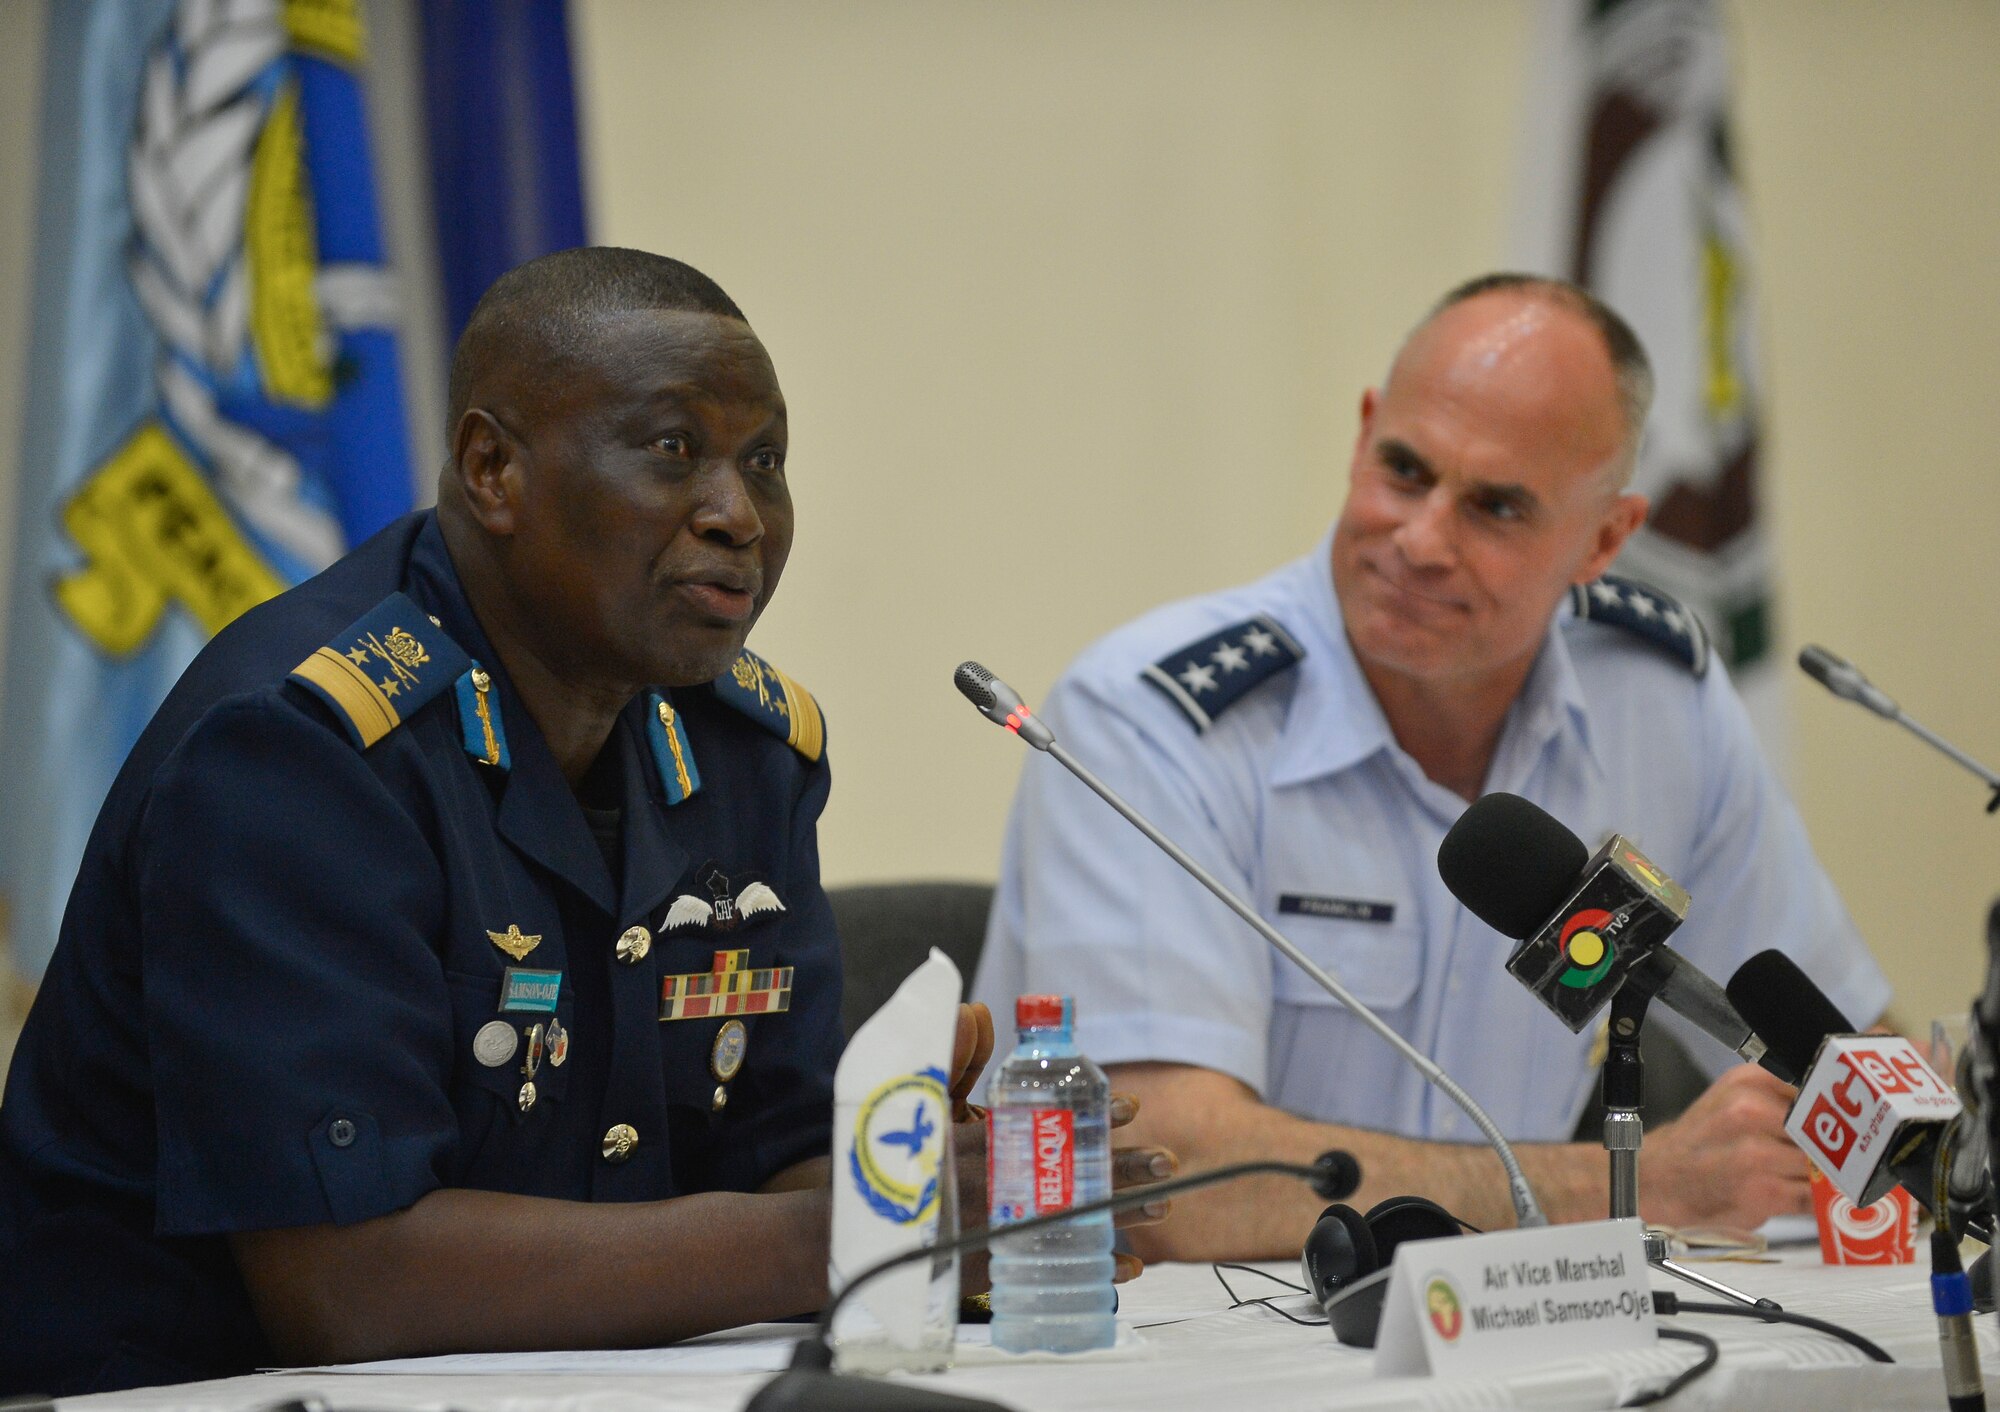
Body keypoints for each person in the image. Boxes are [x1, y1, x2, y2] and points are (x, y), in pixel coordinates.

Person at [0, 248, 1168, 1395]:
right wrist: (867, 1220)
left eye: (764, 460)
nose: (738, 514)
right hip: (165, 1386)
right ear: (492, 468)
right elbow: (347, 1284)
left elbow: (765, 1155)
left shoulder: (745, 750)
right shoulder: (297, 753)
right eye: (674, 450)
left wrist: (959, 1195)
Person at [972, 274, 1891, 1260]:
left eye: (1494, 506)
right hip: (1203, 1347)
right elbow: (1167, 1172)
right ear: (1364, 431)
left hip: (1514, 1335)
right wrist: (1628, 1183)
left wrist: (1913, 1138)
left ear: (1605, 539)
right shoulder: (1152, 714)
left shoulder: (1656, 700)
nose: (1419, 540)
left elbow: (1842, 1053)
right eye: (1403, 470)